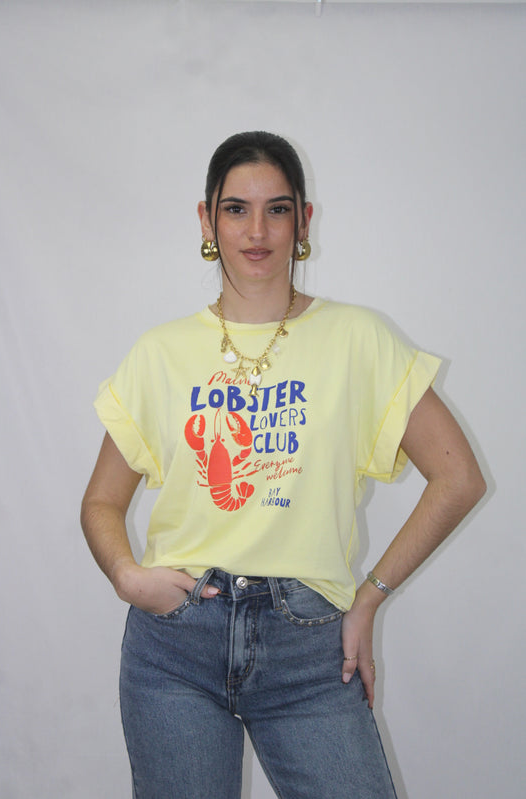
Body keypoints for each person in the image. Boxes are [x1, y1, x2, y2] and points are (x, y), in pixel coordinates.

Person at [81, 131, 486, 799]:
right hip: (175, 647)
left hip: (308, 649)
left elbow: (458, 479)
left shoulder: (358, 337)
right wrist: (127, 575)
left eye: (277, 209)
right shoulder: (159, 352)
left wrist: (369, 597)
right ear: (207, 219)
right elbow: (100, 501)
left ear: (304, 220)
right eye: (235, 209)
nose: (256, 230)